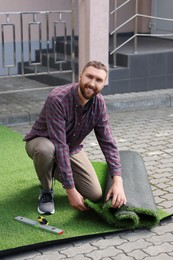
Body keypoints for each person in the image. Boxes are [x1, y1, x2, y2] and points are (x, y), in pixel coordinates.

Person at [24, 60, 126, 215]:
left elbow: (107, 142)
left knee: (95, 194)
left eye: (98, 80)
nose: (92, 83)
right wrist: (70, 189)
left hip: (72, 148)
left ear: (104, 83)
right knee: (46, 150)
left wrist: (118, 181)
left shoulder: (99, 104)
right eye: (89, 77)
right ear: (80, 76)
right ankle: (46, 190)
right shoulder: (57, 98)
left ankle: (50, 169)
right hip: (41, 142)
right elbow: (59, 144)